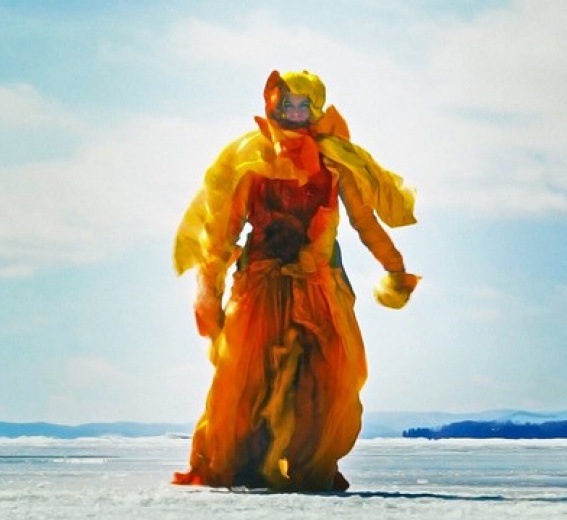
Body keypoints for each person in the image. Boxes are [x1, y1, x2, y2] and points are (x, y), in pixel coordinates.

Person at [172, 70, 419, 492]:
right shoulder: (251, 158)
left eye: (303, 105)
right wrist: (208, 287)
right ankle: (244, 465)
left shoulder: (334, 160)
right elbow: (224, 230)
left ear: (316, 109)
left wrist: (394, 267)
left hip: (319, 286)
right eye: (287, 104)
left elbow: (364, 222)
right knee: (247, 379)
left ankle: (308, 464)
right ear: (272, 105)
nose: (294, 113)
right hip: (261, 285)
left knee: (322, 378)